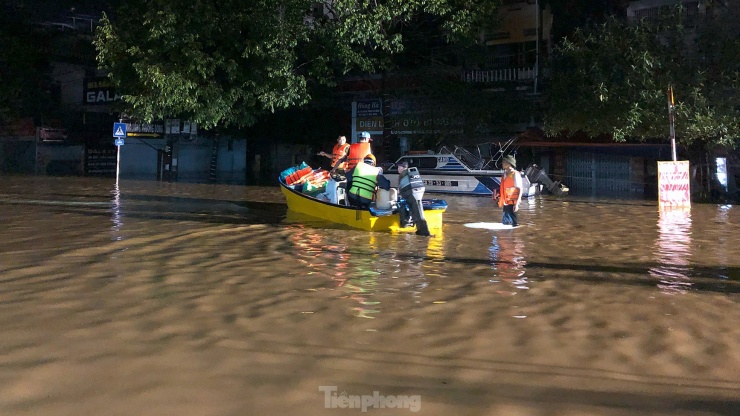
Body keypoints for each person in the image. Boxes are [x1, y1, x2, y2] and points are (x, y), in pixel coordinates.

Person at [397, 161, 431, 236]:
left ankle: (423, 232)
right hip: (418, 190)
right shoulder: (410, 174)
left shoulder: (402, 175)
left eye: (399, 167)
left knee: (415, 210)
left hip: (410, 192)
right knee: (417, 209)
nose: (397, 169)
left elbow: (399, 192)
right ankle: (422, 230)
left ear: (403, 168)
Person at [497, 154, 523, 227]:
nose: (502, 164)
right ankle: (507, 238)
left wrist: (517, 204)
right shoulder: (505, 174)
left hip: (513, 203)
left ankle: (515, 237)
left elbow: (520, 189)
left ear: (509, 164)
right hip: (506, 202)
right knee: (505, 224)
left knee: (515, 224)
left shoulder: (515, 174)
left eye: (504, 162)